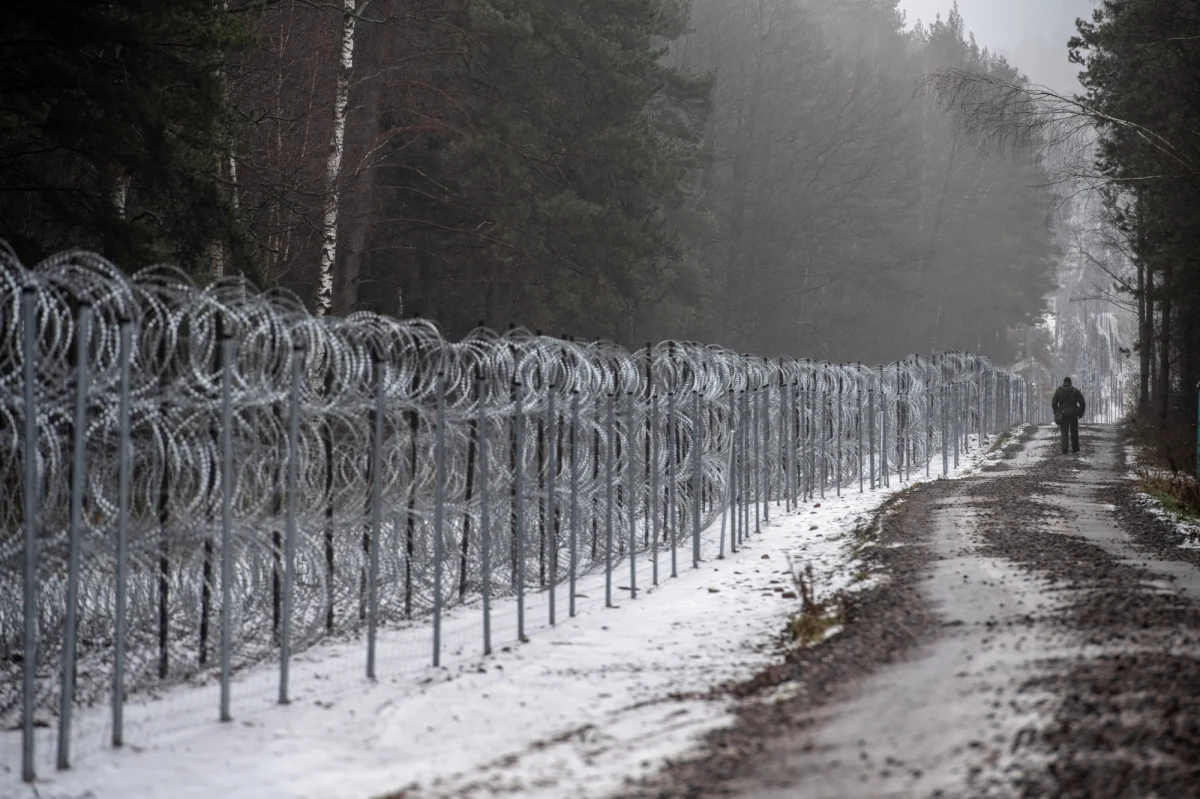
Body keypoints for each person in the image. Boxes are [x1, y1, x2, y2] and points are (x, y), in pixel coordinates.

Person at [1051, 377, 1086, 454]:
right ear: (1070, 383)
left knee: (1064, 432)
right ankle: (1075, 448)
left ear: (1064, 382)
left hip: (1063, 414)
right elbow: (1082, 402)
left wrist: (1056, 412)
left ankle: (1064, 449)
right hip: (1073, 414)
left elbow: (1054, 402)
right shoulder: (1075, 391)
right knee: (1074, 431)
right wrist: (1081, 412)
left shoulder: (1059, 391)